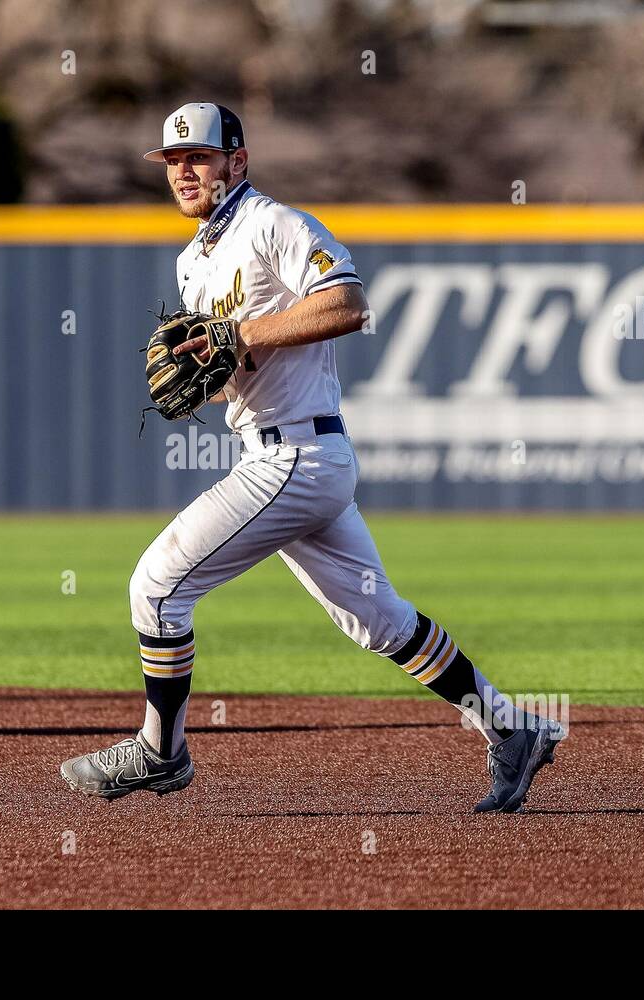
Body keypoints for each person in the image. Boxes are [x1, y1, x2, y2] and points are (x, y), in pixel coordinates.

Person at [59, 103, 563, 813]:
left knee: (158, 588)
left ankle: (160, 752)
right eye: (172, 162)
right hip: (291, 452)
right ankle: (513, 730)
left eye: (197, 157)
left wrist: (237, 335)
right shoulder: (193, 260)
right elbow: (241, 358)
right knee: (379, 621)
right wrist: (204, 377)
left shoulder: (274, 223)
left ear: (236, 160)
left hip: (294, 455)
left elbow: (349, 304)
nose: (183, 172)